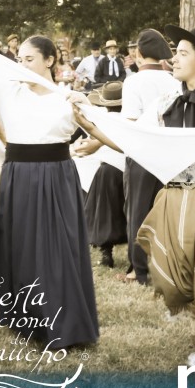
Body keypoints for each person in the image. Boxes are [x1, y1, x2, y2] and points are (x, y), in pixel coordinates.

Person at [76, 25, 195, 373]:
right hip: (175, 202)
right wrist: (94, 130)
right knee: (184, 279)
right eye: (174, 51)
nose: (172, 57)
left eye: (181, 53)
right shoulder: (164, 103)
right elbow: (134, 142)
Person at [0, 35, 99, 349]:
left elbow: (102, 129)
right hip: (17, 176)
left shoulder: (67, 97)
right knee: (21, 244)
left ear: (50, 60)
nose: (22, 65)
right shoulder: (6, 89)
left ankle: (64, 322)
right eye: (19, 59)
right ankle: (25, 317)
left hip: (56, 177)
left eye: (29, 59)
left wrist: (89, 142)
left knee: (56, 248)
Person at [119, 28, 178, 284]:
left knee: (138, 210)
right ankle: (169, 264)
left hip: (142, 153)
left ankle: (138, 269)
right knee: (168, 210)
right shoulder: (175, 80)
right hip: (171, 152)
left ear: (139, 54)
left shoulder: (133, 81)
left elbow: (130, 120)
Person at [74, 81, 126, 267]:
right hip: (122, 171)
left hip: (107, 172)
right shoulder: (132, 120)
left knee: (90, 176)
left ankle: (105, 248)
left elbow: (84, 149)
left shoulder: (103, 124)